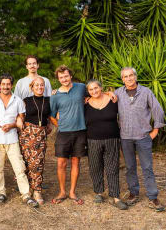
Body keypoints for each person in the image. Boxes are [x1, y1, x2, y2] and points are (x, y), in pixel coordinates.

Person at [115, 67, 166, 212]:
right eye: (125, 76)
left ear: (135, 77)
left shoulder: (146, 92)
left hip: (143, 137)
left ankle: (153, 197)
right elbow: (103, 99)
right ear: (122, 79)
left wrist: (155, 130)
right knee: (130, 167)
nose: (129, 78)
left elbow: (157, 109)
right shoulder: (118, 93)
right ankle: (133, 193)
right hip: (125, 137)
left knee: (147, 167)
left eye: (131, 75)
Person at [0, 74, 39, 208]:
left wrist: (12, 125)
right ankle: (1, 192)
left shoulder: (18, 101)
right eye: (3, 84)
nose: (5, 86)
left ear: (12, 85)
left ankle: (26, 194)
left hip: (12, 138)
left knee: (19, 167)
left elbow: (21, 120)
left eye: (8, 84)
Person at [85, 80, 127, 210]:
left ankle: (115, 196)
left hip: (111, 139)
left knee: (112, 167)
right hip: (92, 140)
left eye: (96, 88)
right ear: (88, 92)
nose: (94, 91)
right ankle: (99, 192)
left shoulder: (112, 100)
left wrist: (110, 93)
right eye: (91, 90)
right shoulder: (85, 104)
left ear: (101, 88)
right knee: (95, 167)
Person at [49, 65, 87, 205]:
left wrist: (109, 94)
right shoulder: (55, 96)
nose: (64, 79)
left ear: (70, 75)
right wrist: (61, 125)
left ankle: (72, 192)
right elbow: (52, 116)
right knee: (61, 163)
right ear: (58, 79)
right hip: (63, 133)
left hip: (80, 131)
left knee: (76, 161)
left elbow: (96, 93)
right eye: (61, 77)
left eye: (66, 76)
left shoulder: (81, 87)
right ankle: (62, 192)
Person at [19, 77, 52, 205]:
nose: (39, 87)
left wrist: (49, 124)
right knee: (27, 162)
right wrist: (18, 122)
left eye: (42, 85)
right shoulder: (26, 101)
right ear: (32, 87)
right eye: (36, 85)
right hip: (27, 134)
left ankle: (37, 190)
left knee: (38, 162)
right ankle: (27, 189)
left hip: (41, 134)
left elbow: (51, 116)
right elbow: (20, 116)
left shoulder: (49, 100)